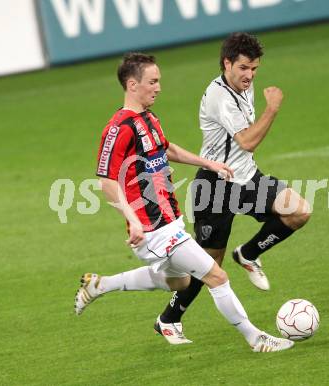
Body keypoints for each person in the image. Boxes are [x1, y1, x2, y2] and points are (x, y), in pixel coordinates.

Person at [74, 52, 294, 353]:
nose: (158, 87)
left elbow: (168, 149)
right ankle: (256, 339)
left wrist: (210, 163)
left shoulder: (148, 118)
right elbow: (106, 181)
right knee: (216, 275)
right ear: (132, 84)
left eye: (158, 81)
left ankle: (100, 285)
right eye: (152, 81)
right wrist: (133, 219)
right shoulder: (119, 128)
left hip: (169, 219)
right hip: (152, 229)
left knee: (179, 283)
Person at [156, 33, 311, 344]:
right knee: (208, 266)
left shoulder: (242, 84)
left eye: (254, 69)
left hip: (246, 177)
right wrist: (272, 109)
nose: (250, 75)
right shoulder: (220, 97)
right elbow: (247, 140)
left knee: (299, 211)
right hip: (215, 187)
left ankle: (249, 253)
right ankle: (169, 318)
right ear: (226, 63)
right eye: (244, 68)